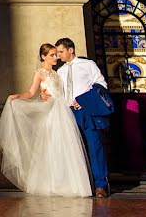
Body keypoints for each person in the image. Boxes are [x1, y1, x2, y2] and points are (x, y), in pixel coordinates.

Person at [0, 43, 92, 197]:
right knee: (52, 146)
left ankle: (71, 184)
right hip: (52, 112)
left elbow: (63, 92)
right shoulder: (40, 73)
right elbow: (31, 92)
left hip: (63, 111)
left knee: (67, 146)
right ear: (43, 57)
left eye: (56, 54)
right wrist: (18, 96)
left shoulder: (58, 73)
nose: (56, 57)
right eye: (52, 55)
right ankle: (53, 184)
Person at [42, 37, 111, 198]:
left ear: (70, 50)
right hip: (68, 113)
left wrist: (84, 100)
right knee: (74, 149)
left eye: (61, 52)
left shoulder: (88, 65)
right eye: (57, 52)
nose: (58, 56)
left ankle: (100, 185)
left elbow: (101, 85)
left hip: (87, 112)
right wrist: (46, 94)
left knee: (95, 147)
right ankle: (82, 184)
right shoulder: (61, 71)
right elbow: (60, 93)